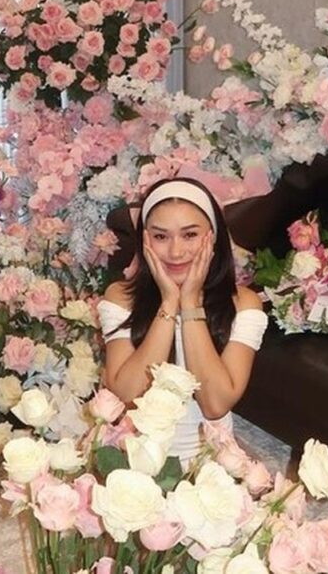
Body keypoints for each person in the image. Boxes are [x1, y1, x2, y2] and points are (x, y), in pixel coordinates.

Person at [98, 177, 268, 463]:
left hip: (211, 467)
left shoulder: (243, 304)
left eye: (189, 235)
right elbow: (126, 395)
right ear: (145, 240)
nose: (176, 252)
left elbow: (215, 404)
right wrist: (168, 303)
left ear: (213, 237)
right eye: (161, 237)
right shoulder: (121, 297)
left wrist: (190, 305)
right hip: (135, 459)